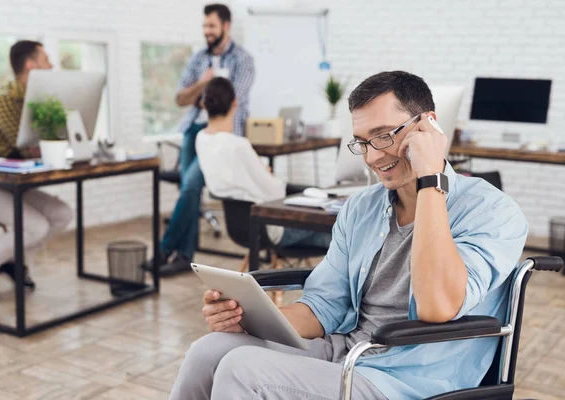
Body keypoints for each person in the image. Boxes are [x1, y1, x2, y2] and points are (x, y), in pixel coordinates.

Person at [169, 71, 529, 399]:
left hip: (411, 380)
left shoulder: (493, 211)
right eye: (361, 142)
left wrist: (430, 180)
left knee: (243, 370)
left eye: (384, 136)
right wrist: (246, 318)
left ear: (428, 128)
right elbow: (323, 306)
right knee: (211, 350)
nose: (372, 157)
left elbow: (437, 306)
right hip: (350, 354)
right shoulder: (361, 208)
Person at [0, 40, 73, 300]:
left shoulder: (37, 101)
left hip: (16, 185)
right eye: (46, 59)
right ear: (30, 65)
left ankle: (10, 261)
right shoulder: (4, 100)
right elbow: (24, 145)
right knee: (34, 226)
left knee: (62, 214)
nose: (52, 65)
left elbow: (39, 145)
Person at [153, 3, 255, 275]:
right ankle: (184, 256)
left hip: (221, 135)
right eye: (204, 26)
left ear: (226, 26)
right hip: (193, 131)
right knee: (191, 189)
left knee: (189, 186)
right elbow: (180, 98)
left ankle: (164, 248)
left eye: (211, 26)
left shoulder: (242, 60)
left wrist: (203, 99)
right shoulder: (198, 59)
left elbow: (232, 100)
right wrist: (203, 83)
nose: (206, 31)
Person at [196, 77, 332, 249]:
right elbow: (274, 190)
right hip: (268, 228)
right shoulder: (238, 145)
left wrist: (259, 170)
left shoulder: (201, 139)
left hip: (239, 229)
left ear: (204, 105)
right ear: (235, 103)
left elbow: (238, 181)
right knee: (336, 229)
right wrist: (266, 173)